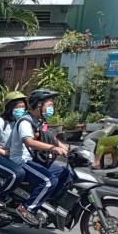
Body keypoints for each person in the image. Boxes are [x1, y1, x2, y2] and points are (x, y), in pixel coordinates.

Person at [7, 89, 70, 226]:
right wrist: (53, 148)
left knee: (65, 173)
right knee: (48, 180)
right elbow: (29, 141)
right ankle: (26, 208)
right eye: (49, 105)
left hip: (32, 160)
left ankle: (47, 202)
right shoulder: (25, 122)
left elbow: (50, 136)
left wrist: (64, 146)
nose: (51, 109)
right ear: (39, 106)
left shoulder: (40, 121)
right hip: (21, 161)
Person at [0, 92, 28, 209]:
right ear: (10, 108)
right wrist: (5, 153)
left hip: (11, 157)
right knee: (17, 174)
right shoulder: (0, 122)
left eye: (23, 107)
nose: (21, 110)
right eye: (18, 107)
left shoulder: (18, 122)